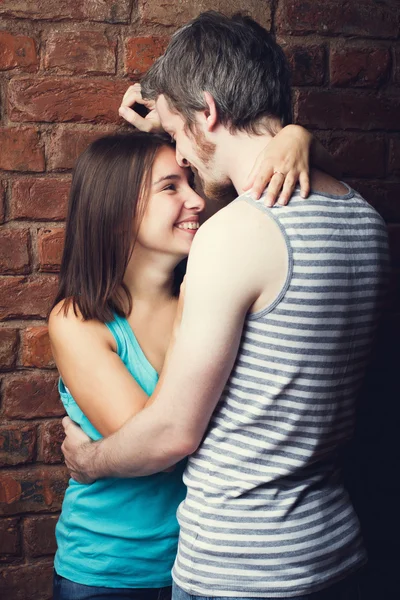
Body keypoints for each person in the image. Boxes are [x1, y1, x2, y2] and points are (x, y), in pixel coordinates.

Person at [61, 11, 390, 600]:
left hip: (244, 565)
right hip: (335, 546)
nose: (183, 155)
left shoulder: (237, 232)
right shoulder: (365, 217)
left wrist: (87, 462)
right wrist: (294, 134)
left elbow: (172, 434)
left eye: (180, 133)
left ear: (208, 111)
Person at [49, 123, 318, 599]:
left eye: (191, 183)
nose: (196, 200)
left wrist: (296, 136)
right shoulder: (78, 320)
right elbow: (156, 444)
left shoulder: (210, 300)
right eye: (171, 187)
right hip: (110, 569)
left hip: (199, 564)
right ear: (114, 211)